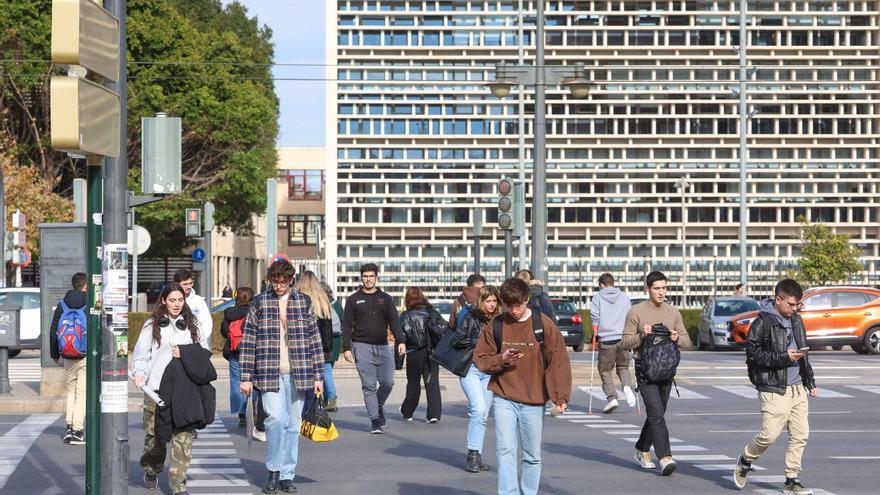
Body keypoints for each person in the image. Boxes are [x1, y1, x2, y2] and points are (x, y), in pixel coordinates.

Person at [474, 277, 572, 495]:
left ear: (527, 299)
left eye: (518, 304)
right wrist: (502, 358)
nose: (514, 310)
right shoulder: (497, 324)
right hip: (504, 396)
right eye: (509, 305)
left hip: (534, 400)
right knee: (505, 450)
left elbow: (558, 361)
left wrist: (561, 396)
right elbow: (480, 359)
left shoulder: (543, 324)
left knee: (532, 455)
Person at [239, 259, 324, 494]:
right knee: (275, 419)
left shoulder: (303, 302)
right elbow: (248, 343)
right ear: (269, 281)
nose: (279, 285)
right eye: (275, 281)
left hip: (300, 372)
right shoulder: (259, 303)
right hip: (269, 372)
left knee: (293, 425)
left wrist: (319, 375)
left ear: (291, 280)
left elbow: (314, 340)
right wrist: (245, 377)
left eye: (283, 281)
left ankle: (287, 474)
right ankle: (273, 469)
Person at [733, 279, 817, 495]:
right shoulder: (762, 322)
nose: (794, 308)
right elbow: (753, 355)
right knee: (769, 435)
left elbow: (803, 352)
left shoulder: (797, 320)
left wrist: (810, 381)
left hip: (797, 388)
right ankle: (746, 459)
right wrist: (783, 357)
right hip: (773, 387)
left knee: (800, 435)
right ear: (778, 300)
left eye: (797, 304)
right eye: (790, 304)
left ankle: (791, 480)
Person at [131, 283, 211, 494]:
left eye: (180, 300)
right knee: (155, 438)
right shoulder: (152, 324)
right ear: (164, 301)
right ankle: (151, 468)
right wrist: (139, 373)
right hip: (156, 391)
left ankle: (178, 486)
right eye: (172, 300)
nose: (176, 304)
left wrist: (186, 353)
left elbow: (205, 353)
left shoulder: (192, 324)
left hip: (184, 391)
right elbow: (141, 354)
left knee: (183, 439)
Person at [621, 271, 692, 476]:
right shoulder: (636, 311)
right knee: (656, 413)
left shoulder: (673, 312)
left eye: (664, 288)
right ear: (648, 289)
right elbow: (625, 342)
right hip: (645, 369)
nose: (661, 292)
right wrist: (642, 335)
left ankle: (642, 449)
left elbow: (688, 343)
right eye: (657, 288)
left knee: (656, 414)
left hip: (666, 370)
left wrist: (677, 337)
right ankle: (665, 457)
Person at [342, 263, 406, 434]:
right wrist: (346, 348)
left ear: (376, 277)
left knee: (388, 382)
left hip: (383, 347)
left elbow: (394, 321)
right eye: (365, 276)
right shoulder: (353, 299)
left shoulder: (385, 298)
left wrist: (401, 341)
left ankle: (377, 405)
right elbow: (346, 325)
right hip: (361, 346)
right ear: (361, 278)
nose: (368, 279)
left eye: (371, 276)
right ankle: (375, 420)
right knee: (369, 385)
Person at [455, 285, 502, 473]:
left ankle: (477, 454)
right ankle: (472, 456)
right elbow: (457, 340)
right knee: (478, 409)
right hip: (471, 369)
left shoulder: (500, 320)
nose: (492, 305)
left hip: (489, 371)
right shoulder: (470, 317)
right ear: (481, 302)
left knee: (483, 415)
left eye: (494, 301)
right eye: (488, 301)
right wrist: (482, 343)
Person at [49, 272, 88, 445]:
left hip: (67, 354)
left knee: (71, 392)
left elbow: (53, 330)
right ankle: (78, 431)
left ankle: (69, 427)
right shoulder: (89, 303)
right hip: (85, 354)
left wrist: (55, 354)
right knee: (81, 394)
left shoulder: (62, 304)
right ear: (86, 286)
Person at [590, 273, 636, 414]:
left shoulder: (597, 297)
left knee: (605, 370)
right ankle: (627, 387)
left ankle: (612, 398)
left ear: (601, 285)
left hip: (606, 339)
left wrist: (595, 332)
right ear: (613, 283)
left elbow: (595, 316)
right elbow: (630, 316)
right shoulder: (624, 297)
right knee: (623, 367)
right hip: (622, 339)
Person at [399, 287, 446, 423]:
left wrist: (398, 362)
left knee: (413, 383)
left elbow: (401, 339)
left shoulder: (405, 316)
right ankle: (434, 414)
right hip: (432, 352)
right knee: (432, 383)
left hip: (414, 353)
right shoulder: (432, 313)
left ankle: (407, 412)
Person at [296, 271, 335, 420]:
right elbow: (327, 329)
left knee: (299, 384)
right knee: (316, 383)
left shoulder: (298, 298)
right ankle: (309, 413)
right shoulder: (322, 301)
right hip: (318, 349)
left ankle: (299, 414)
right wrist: (327, 350)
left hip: (300, 348)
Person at [220, 287, 254, 427]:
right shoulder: (253, 311)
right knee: (252, 381)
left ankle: (241, 412)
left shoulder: (229, 313)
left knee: (236, 381)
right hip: (251, 351)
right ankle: (252, 409)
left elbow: (223, 331)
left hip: (234, 351)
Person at [320, 281, 343, 412]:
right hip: (336, 341)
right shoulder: (337, 305)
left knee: (326, 370)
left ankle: (331, 398)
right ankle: (327, 398)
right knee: (327, 370)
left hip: (326, 341)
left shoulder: (322, 305)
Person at [173, 269, 213, 344]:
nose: (189, 287)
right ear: (177, 284)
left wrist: (199, 339)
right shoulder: (169, 301)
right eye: (185, 284)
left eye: (190, 283)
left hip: (196, 344)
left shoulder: (199, 301)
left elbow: (207, 323)